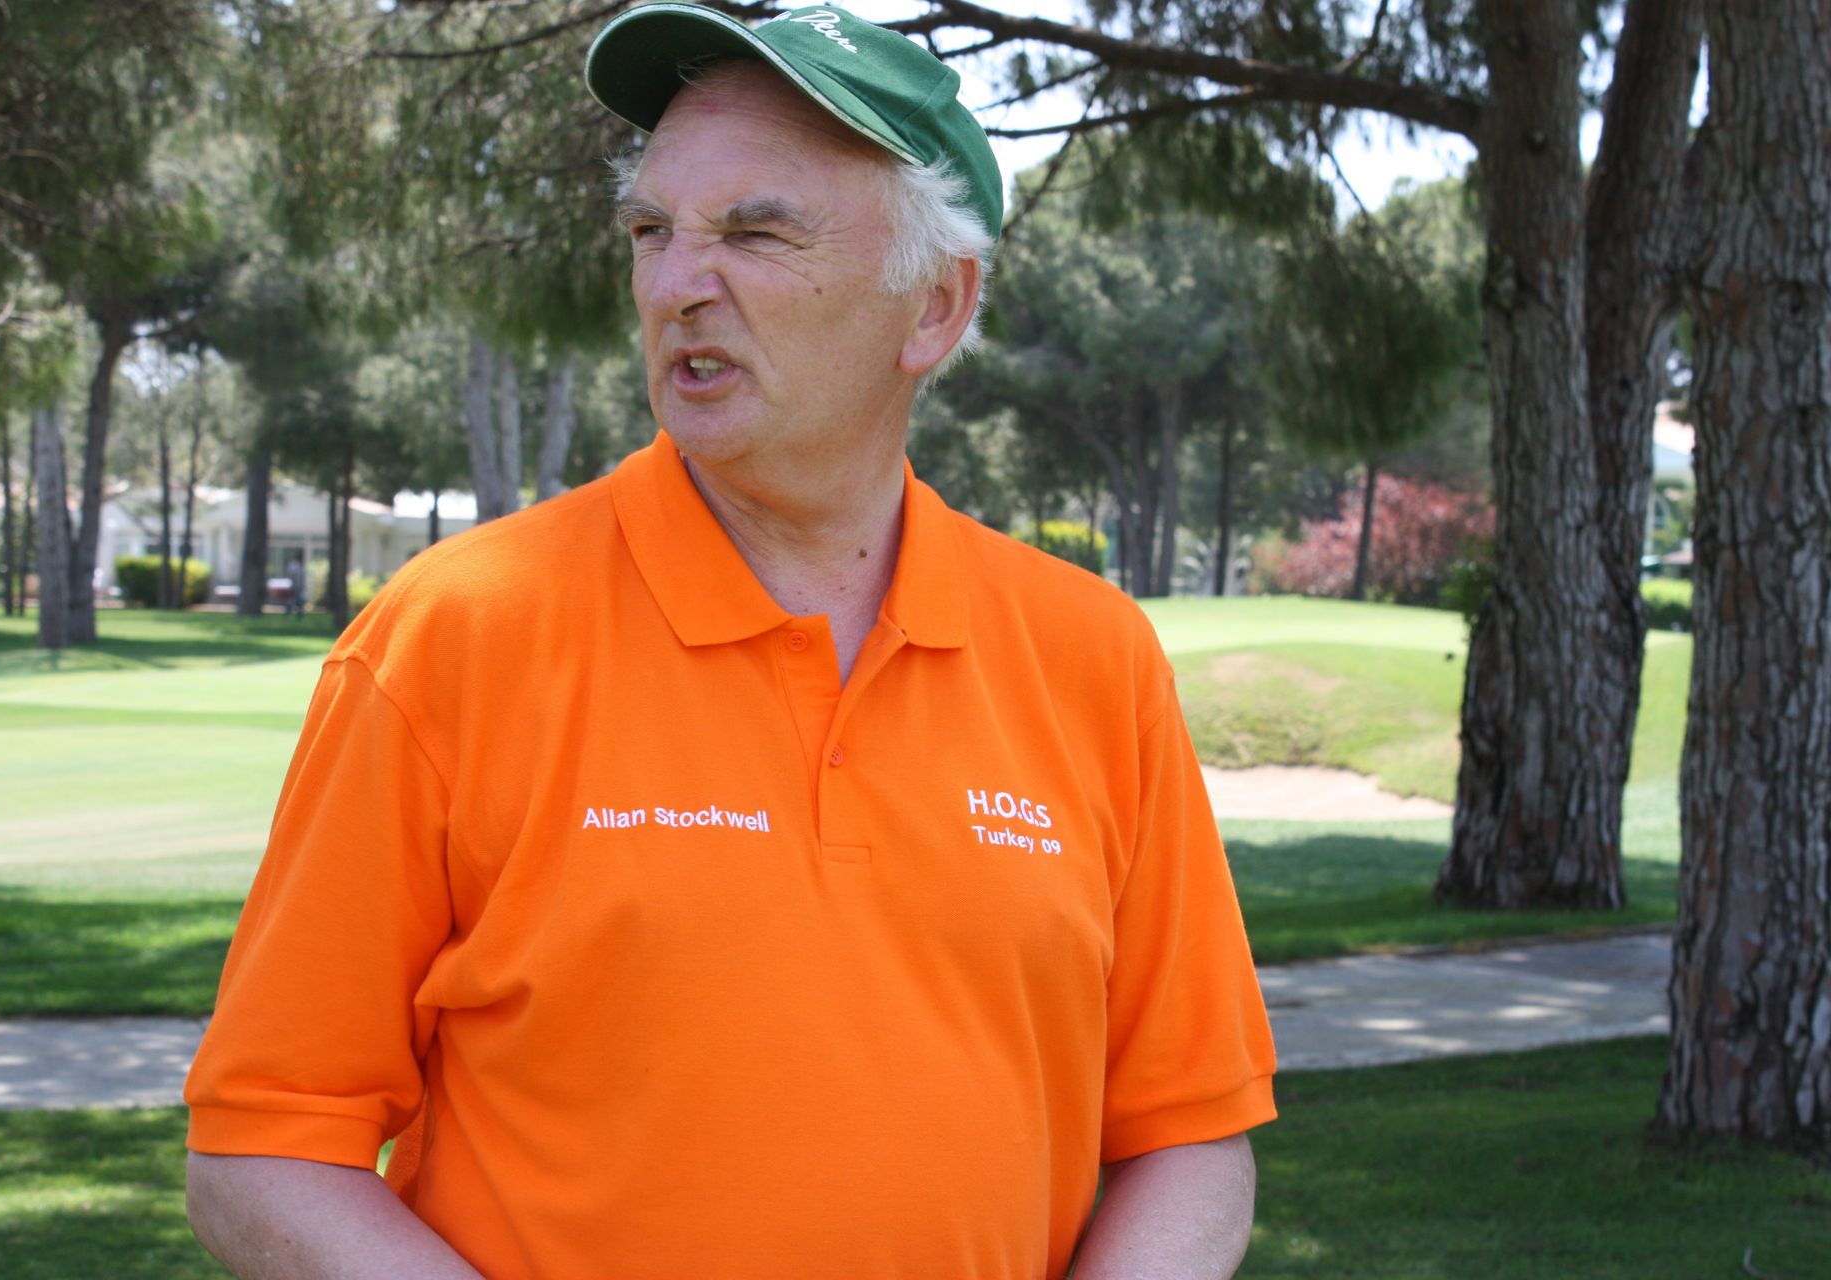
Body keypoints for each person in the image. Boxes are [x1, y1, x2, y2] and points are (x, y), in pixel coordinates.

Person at [183, 6, 1276, 1277]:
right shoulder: (453, 633)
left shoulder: (1095, 655)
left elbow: (1189, 1131)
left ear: (934, 305)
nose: (673, 286)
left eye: (755, 233)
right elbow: (263, 1148)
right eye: (652, 230)